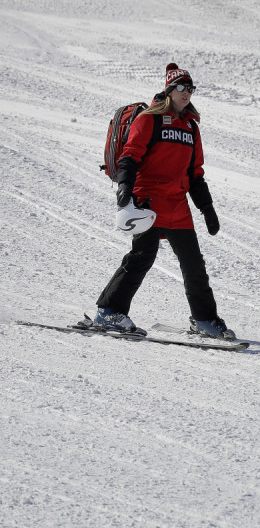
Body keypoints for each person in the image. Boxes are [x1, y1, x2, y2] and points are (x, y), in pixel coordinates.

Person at [93, 63, 235, 339]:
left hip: (177, 205)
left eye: (190, 88)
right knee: (142, 256)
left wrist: (207, 207)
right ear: (169, 90)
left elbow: (195, 173)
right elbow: (130, 155)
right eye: (181, 87)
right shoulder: (149, 119)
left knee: (194, 263)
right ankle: (108, 311)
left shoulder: (191, 127)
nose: (186, 93)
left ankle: (205, 320)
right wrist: (124, 188)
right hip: (149, 200)